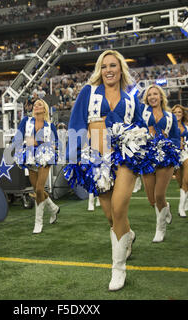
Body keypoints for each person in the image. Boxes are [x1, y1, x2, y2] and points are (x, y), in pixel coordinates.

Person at [64, 50, 146, 291]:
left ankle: (118, 269)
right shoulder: (88, 93)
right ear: (100, 70)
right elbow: (76, 123)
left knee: (119, 208)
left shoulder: (131, 99)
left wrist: (143, 148)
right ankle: (127, 235)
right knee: (111, 216)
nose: (109, 70)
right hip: (97, 159)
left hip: (125, 158)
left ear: (121, 69)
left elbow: (140, 126)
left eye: (113, 65)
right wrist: (74, 155)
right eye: (104, 66)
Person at [12, 99, 60, 234]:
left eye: (39, 104)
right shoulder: (26, 122)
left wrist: (38, 143)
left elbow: (56, 144)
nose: (36, 106)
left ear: (44, 109)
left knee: (39, 190)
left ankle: (38, 222)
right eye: (34, 105)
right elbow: (17, 138)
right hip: (30, 158)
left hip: (45, 158)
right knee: (36, 189)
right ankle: (54, 208)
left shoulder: (50, 126)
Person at [140, 85, 180, 241]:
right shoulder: (142, 113)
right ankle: (166, 208)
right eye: (149, 95)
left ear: (161, 96)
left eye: (155, 94)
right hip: (147, 157)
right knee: (152, 199)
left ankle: (160, 229)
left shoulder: (170, 117)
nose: (152, 97)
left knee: (159, 195)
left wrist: (169, 144)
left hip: (166, 157)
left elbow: (176, 137)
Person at [172, 104, 188, 217]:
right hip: (175, 155)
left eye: (179, 112)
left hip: (186, 154)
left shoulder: (186, 125)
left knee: (186, 180)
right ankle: (186, 199)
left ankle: (181, 209)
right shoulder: (169, 125)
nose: (177, 114)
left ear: (182, 114)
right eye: (175, 112)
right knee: (180, 183)